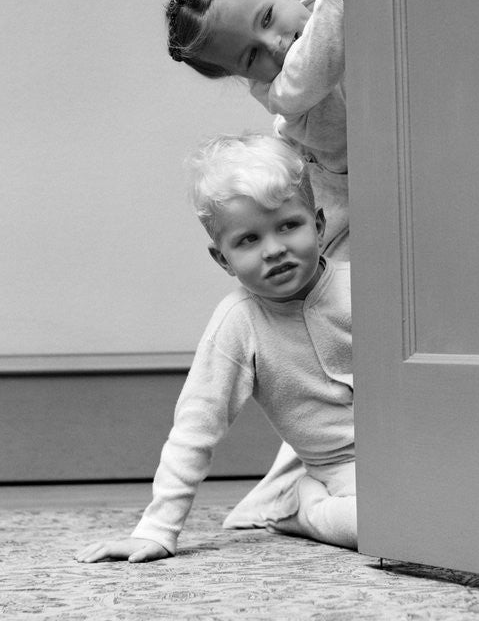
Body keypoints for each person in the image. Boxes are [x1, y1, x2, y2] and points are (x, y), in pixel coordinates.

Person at [76, 134, 355, 564]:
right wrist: (157, 529)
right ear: (222, 259)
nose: (274, 249)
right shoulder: (238, 322)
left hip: (416, 454)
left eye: (288, 226)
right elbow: (194, 429)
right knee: (397, 525)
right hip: (340, 476)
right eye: (248, 240)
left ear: (318, 226)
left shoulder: (364, 287)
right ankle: (302, 506)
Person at [164, 0, 354, 260]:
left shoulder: (333, 14)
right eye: (252, 56)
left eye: (266, 18)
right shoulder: (287, 93)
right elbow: (317, 64)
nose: (275, 44)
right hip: (345, 234)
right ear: (238, 73)